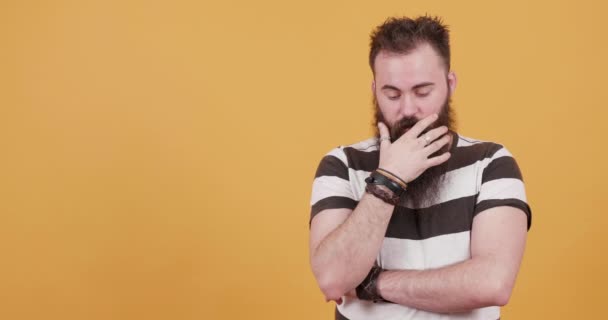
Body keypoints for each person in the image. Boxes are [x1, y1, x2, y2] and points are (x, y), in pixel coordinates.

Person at [309, 16, 532, 320]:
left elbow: (492, 283)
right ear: (375, 91)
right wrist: (389, 180)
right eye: (392, 94)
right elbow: (332, 278)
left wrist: (374, 282)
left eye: (423, 91)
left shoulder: (491, 163)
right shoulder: (342, 164)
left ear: (449, 85)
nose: (408, 109)